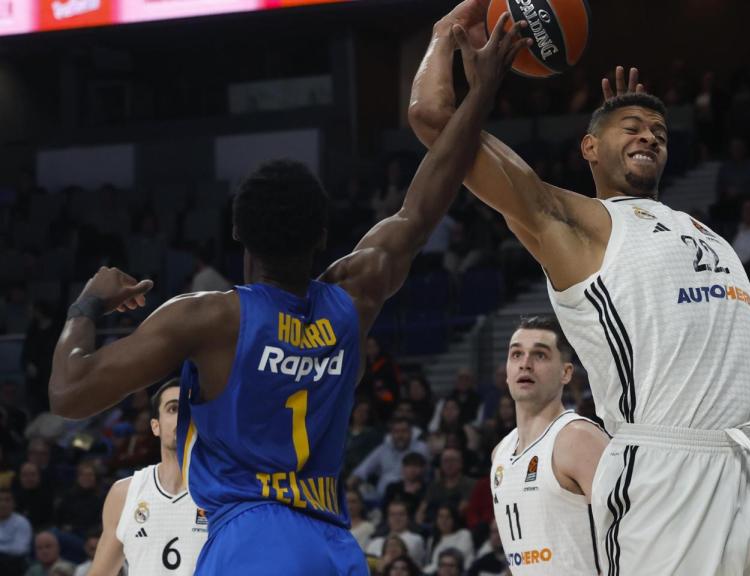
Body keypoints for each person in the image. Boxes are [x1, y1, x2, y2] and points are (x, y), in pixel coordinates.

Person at [47, 18, 529, 575]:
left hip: (251, 539)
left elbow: (68, 392)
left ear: (239, 235)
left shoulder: (207, 318)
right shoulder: (357, 296)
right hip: (332, 545)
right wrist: (485, 86)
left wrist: (87, 305)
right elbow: (422, 205)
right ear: (322, 236)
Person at [408, 2, 750, 572]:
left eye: (659, 131)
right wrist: (448, 31)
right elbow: (431, 118)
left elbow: (723, 317)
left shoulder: (698, 228)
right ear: (588, 149)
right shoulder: (572, 224)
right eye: (631, 128)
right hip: (668, 475)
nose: (649, 136)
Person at [490, 316, 607, 574]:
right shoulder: (500, 453)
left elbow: (634, 531)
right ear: (507, 373)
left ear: (566, 373)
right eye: (516, 355)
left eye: (540, 355)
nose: (525, 364)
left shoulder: (577, 439)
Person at [88, 380, 207, 575]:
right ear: (155, 426)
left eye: (191, 409)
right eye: (174, 408)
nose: (184, 416)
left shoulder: (223, 492)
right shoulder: (124, 493)